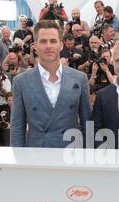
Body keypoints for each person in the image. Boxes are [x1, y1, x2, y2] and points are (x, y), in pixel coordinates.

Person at [11, 20, 92, 148]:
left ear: (60, 45)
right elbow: (17, 127)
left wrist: (89, 157)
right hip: (36, 154)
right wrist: (18, 163)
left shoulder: (79, 79)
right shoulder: (21, 82)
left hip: (71, 154)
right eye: (43, 41)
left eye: (53, 41)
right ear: (35, 46)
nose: (48, 46)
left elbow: (87, 123)